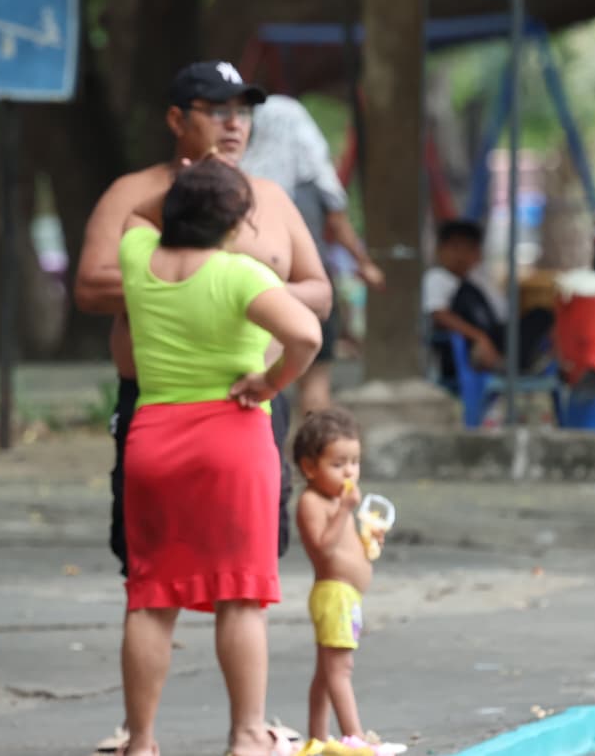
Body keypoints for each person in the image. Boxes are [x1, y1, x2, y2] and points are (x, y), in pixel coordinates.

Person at [117, 157, 321, 756]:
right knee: (241, 595)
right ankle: (246, 736)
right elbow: (307, 334)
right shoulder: (240, 274)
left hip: (153, 438)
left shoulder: (138, 258)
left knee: (151, 595)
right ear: (235, 221)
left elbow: (137, 211)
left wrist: (183, 187)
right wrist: (269, 383)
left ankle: (141, 743)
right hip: (231, 439)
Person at [241, 94, 386, 414]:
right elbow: (338, 220)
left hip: (251, 290)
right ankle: (314, 458)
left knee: (257, 373)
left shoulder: (236, 181)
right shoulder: (314, 177)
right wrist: (364, 264)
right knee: (316, 381)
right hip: (307, 286)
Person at [293, 408, 404, 755]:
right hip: (334, 595)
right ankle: (354, 738)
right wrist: (343, 510)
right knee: (341, 669)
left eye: (354, 462)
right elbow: (323, 548)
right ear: (310, 468)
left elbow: (346, 547)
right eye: (338, 464)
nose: (349, 472)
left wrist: (369, 541)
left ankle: (317, 737)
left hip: (346, 595)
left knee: (327, 671)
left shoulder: (336, 501)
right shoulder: (313, 502)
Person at [423, 218, 553, 380]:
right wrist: (478, 337)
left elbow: (502, 315)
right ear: (440, 250)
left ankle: (522, 362)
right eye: (455, 248)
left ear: (477, 253)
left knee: (541, 315)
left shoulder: (478, 279)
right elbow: (439, 315)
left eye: (467, 249)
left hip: (493, 336)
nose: (460, 256)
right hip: (466, 345)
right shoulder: (437, 278)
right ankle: (509, 364)